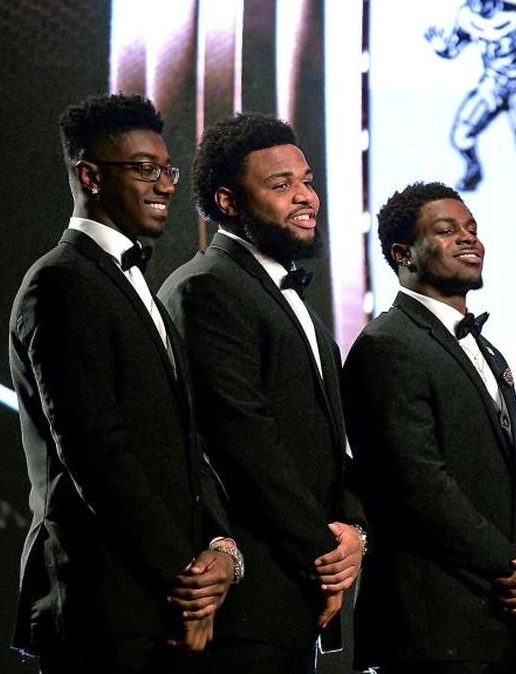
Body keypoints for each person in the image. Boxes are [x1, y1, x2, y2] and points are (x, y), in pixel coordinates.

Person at [8, 93, 239, 673]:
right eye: (144, 169)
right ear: (90, 176)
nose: (164, 185)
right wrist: (187, 580)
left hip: (157, 604)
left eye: (167, 170)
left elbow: (185, 444)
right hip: (102, 603)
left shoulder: (134, 283)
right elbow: (95, 453)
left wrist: (221, 547)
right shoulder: (59, 283)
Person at [158, 113, 366, 673]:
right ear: (228, 201)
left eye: (307, 181)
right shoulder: (206, 289)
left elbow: (324, 444)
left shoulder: (286, 296)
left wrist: (354, 531)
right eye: (281, 185)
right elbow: (241, 443)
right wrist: (324, 552)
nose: (306, 197)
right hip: (243, 600)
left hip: (293, 595)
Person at [343, 181, 516, 673]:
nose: (468, 238)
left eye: (472, 228)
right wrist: (513, 568)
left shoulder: (490, 353)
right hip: (429, 624)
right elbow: (419, 487)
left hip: (492, 622)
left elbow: (513, 476)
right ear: (403, 254)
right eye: (446, 230)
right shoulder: (387, 345)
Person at [425, 0, 516, 211]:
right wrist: (441, 48)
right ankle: (473, 169)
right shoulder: (466, 15)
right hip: (492, 84)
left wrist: (512, 72)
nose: (477, 5)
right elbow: (453, 48)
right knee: (461, 135)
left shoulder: (514, 17)